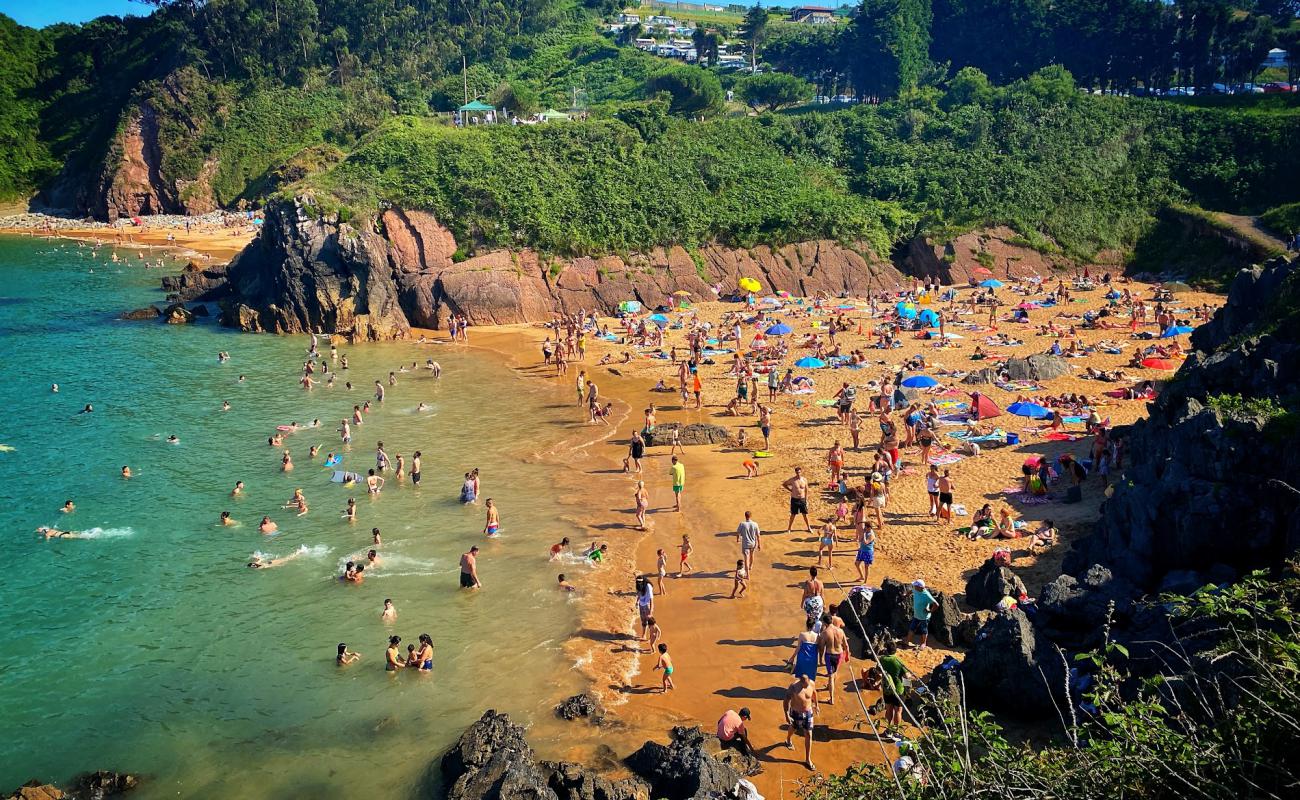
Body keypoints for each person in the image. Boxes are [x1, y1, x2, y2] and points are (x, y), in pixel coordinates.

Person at [783, 672, 818, 770]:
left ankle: (808, 759)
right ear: (801, 682)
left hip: (808, 712)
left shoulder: (811, 683)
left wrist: (816, 705)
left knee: (809, 734)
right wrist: (786, 714)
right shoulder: (793, 687)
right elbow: (786, 700)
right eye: (805, 685)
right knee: (794, 728)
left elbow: (814, 693)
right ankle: (788, 739)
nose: (807, 686)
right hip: (796, 712)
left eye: (808, 684)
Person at [817, 612, 848, 705]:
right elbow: (845, 645)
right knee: (835, 673)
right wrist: (846, 655)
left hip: (830, 655)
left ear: (825, 623)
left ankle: (832, 699)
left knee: (830, 676)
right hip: (839, 654)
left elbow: (821, 648)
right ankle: (829, 687)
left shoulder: (824, 633)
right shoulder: (840, 631)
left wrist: (820, 659)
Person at [907, 579, 938, 650]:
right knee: (912, 628)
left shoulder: (926, 595)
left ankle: (924, 643)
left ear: (920, 587)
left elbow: (936, 604)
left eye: (915, 585)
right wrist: (906, 595)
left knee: (924, 630)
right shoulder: (916, 590)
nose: (914, 586)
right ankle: (907, 641)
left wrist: (930, 611)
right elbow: (911, 591)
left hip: (924, 617)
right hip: (916, 615)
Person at [783, 466, 812, 532]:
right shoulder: (792, 480)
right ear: (795, 472)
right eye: (797, 472)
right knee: (793, 514)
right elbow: (784, 484)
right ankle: (789, 528)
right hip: (795, 499)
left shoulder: (804, 480)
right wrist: (790, 490)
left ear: (801, 472)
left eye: (799, 472)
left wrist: (806, 499)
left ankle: (809, 527)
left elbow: (806, 489)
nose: (798, 473)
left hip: (802, 499)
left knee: (805, 514)